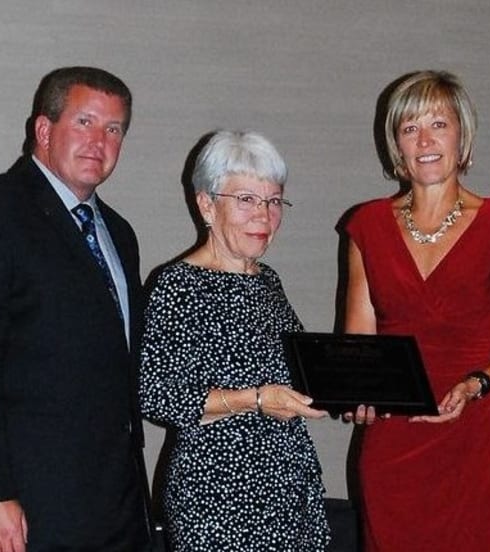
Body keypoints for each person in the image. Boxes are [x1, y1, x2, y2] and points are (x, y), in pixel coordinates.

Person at [0, 66, 151, 551]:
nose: (99, 141)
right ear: (44, 130)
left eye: (113, 129)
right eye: (84, 122)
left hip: (116, 507)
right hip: (24, 507)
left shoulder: (119, 233)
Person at [344, 70, 490, 551]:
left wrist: (478, 383)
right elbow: (358, 345)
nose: (425, 140)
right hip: (393, 445)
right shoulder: (366, 225)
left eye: (439, 124)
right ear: (396, 144)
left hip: (475, 435)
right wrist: (356, 392)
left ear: (462, 135)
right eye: (410, 128)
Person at [139, 130, 330, 551]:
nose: (264, 216)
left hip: (286, 491)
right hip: (217, 498)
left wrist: (355, 394)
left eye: (274, 201)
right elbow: (155, 395)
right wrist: (255, 400)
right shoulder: (178, 285)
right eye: (246, 199)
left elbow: (304, 371)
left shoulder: (268, 282)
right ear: (206, 205)